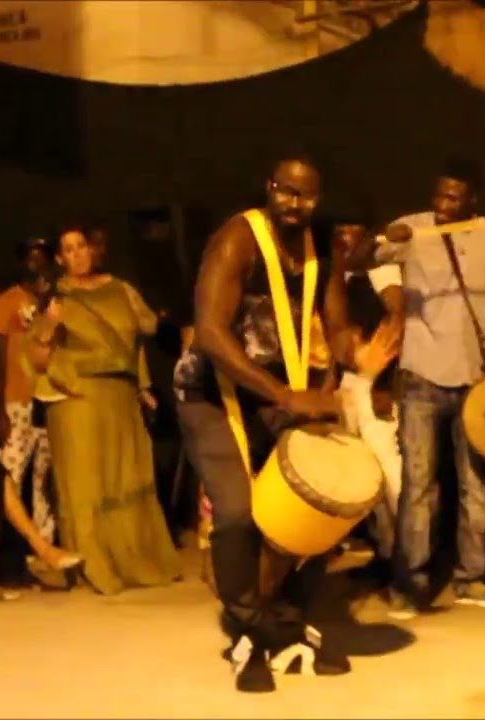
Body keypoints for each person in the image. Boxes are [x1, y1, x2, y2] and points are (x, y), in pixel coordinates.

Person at [174, 155, 397, 692]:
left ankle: (291, 620)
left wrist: (358, 353)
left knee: (322, 499)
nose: (296, 205)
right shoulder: (238, 239)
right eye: (286, 192)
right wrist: (282, 395)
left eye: (307, 196)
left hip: (282, 390)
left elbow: (337, 326)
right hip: (211, 391)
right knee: (236, 512)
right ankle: (247, 629)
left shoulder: (322, 246)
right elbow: (209, 331)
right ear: (269, 188)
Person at [373, 158, 485, 620]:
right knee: (419, 487)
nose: (442, 205)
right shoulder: (411, 229)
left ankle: (471, 578)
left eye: (453, 197)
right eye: (439, 194)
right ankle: (410, 584)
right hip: (420, 376)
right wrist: (385, 239)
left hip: (474, 380)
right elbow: (363, 257)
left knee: (475, 486)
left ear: (472, 199)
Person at [28, 227, 181, 596]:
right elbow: (36, 357)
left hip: (120, 394)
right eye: (69, 249)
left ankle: (136, 559)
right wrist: (50, 321)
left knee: (125, 475)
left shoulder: (120, 289)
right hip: (77, 395)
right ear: (60, 258)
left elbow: (142, 333)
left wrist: (143, 385)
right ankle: (95, 564)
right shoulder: (57, 297)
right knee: (86, 482)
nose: (78, 254)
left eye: (82, 246)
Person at [0, 237, 81, 577]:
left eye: (42, 259)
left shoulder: (55, 303)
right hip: (17, 399)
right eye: (30, 259)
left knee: (47, 479)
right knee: (12, 476)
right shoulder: (6, 302)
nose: (37, 266)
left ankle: (48, 552)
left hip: (50, 398)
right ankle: (4, 558)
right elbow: (1, 358)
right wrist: (0, 406)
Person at [332, 201, 405, 572]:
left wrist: (383, 383)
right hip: (346, 383)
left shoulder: (380, 266)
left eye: (352, 230)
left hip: (372, 380)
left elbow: (398, 318)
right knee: (360, 473)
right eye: (339, 231)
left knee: (390, 472)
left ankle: (407, 558)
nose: (345, 238)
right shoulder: (339, 273)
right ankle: (385, 552)